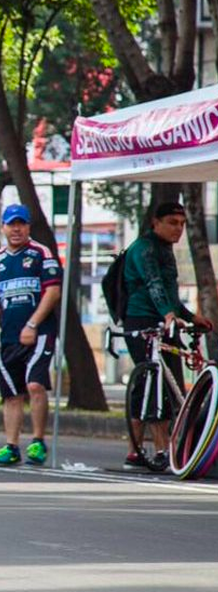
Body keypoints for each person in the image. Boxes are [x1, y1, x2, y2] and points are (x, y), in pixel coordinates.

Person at [121, 201, 213, 471]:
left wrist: (188, 316)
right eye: (173, 223)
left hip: (164, 319)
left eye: (183, 224)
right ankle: (150, 450)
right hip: (142, 322)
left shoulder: (165, 249)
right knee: (151, 385)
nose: (179, 229)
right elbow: (154, 284)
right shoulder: (145, 248)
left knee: (170, 383)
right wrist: (169, 316)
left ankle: (165, 448)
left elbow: (170, 293)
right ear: (155, 222)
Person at [0, 204, 62, 467]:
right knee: (12, 394)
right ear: (2, 228)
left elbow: (53, 292)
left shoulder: (41, 254)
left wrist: (33, 324)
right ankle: (11, 446)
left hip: (39, 334)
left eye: (21, 224)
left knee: (35, 385)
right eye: (11, 224)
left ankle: (38, 441)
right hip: (10, 337)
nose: (16, 229)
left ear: (28, 227)